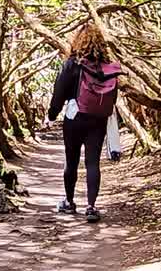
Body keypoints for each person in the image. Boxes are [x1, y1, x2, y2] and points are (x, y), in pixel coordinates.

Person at [48, 23, 123, 223]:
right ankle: (91, 207)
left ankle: (70, 202)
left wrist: (52, 114)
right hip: (98, 120)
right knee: (92, 162)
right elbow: (113, 97)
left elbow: (59, 93)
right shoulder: (107, 67)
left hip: (74, 119)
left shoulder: (72, 64)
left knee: (71, 161)